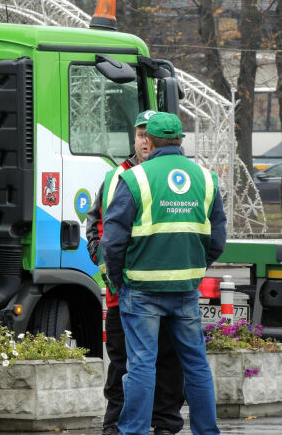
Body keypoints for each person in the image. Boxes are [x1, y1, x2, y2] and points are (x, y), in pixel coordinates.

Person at [101, 112, 227, 435]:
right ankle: (207, 431)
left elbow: (112, 242)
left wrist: (118, 279)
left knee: (141, 365)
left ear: (151, 142)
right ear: (181, 141)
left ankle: (134, 431)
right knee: (196, 365)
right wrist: (195, 271)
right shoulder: (207, 179)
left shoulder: (135, 179)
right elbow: (217, 241)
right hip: (185, 291)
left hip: (141, 291)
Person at [85, 110, 184, 435]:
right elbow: (96, 226)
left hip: (166, 290)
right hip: (121, 295)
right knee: (123, 366)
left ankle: (165, 425)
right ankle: (114, 426)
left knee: (167, 365)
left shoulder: (174, 176)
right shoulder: (116, 177)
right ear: (135, 139)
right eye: (140, 134)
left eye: (149, 135)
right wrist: (108, 270)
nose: (145, 141)